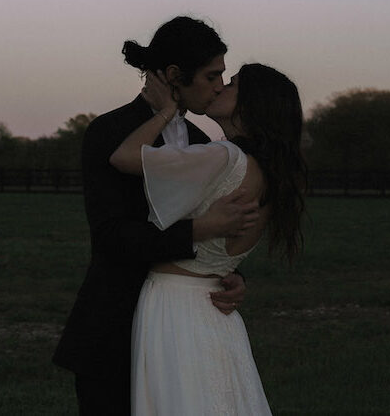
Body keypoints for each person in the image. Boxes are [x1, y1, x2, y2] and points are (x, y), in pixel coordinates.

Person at [53, 16, 261, 416]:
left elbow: (217, 228)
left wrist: (229, 274)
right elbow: (112, 236)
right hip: (115, 326)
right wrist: (201, 229)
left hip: (181, 332)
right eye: (211, 75)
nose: (220, 85)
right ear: (175, 75)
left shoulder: (202, 141)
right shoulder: (108, 132)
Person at [110, 62, 307, 416]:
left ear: (251, 103)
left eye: (231, 84)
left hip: (173, 306)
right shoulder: (271, 174)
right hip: (216, 312)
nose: (219, 87)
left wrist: (167, 110)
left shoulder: (224, 156)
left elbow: (124, 157)